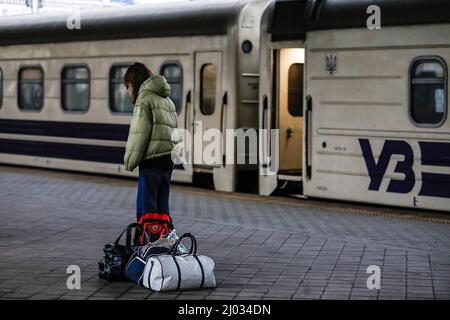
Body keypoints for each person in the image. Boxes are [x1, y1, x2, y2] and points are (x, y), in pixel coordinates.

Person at [123, 62, 178, 222]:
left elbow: (139, 135)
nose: (128, 91)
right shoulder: (167, 99)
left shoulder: (144, 99)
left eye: (128, 86)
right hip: (168, 159)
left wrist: (130, 162)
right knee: (162, 206)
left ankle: (146, 240)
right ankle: (164, 238)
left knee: (146, 206)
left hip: (152, 160)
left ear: (134, 82)